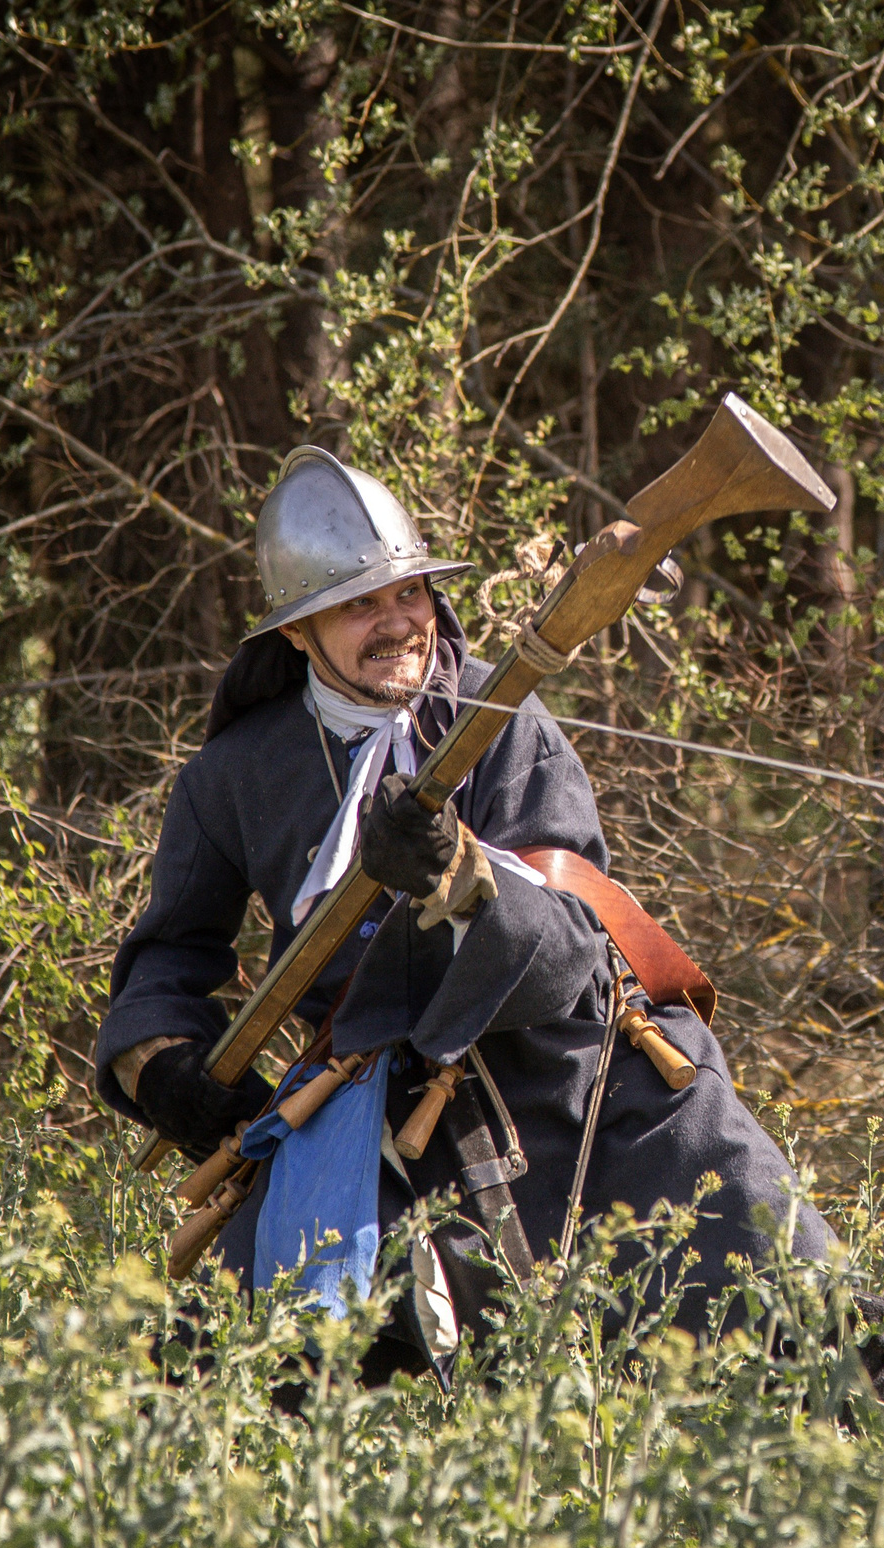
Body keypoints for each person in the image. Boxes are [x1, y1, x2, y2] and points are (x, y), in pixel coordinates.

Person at [97, 446, 832, 1380]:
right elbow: (168, 959)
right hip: (370, 1105)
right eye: (359, 604)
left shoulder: (508, 718)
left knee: (810, 1317)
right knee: (221, 1378)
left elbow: (569, 952)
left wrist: (456, 872)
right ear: (295, 634)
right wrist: (164, 1067)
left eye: (407, 594)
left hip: (582, 1083)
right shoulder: (230, 777)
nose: (396, 621)